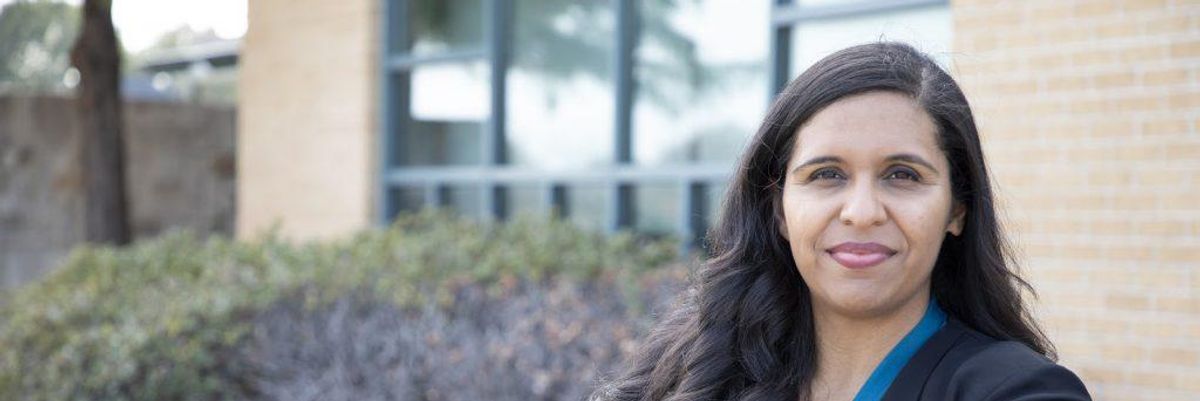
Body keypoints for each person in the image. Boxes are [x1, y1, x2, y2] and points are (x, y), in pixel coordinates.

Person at [591, 42, 1091, 401]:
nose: (862, 211)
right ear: (779, 209)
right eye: (827, 174)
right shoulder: (695, 369)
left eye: (902, 175)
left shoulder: (1015, 390)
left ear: (957, 210)